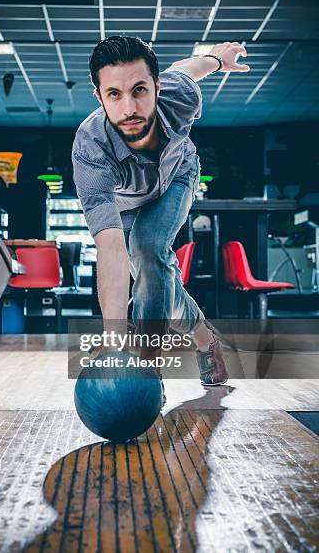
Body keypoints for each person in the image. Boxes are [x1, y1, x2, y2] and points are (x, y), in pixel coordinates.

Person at [72, 36, 250, 386]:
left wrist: (216, 57)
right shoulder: (91, 149)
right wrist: (112, 342)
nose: (129, 109)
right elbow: (109, 249)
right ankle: (205, 339)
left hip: (177, 177)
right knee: (153, 275)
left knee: (148, 248)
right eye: (114, 95)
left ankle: (147, 367)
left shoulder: (180, 95)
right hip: (124, 205)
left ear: (156, 86)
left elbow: (188, 69)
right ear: (99, 96)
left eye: (139, 90)